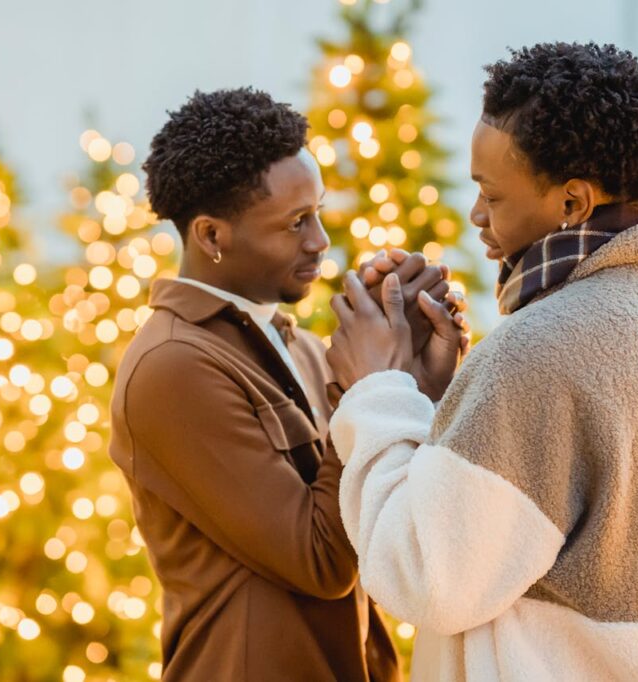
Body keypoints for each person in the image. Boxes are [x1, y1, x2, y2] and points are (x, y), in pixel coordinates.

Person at [326, 42, 638, 681]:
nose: (476, 215)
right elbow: (589, 532)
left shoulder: (540, 348)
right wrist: (440, 400)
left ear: (571, 203)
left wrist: (378, 390)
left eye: (491, 195)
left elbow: (429, 575)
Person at [108, 87, 454, 681]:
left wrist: (417, 380)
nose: (320, 240)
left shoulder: (293, 341)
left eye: (317, 210)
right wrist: (367, 388)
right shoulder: (173, 368)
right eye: (296, 222)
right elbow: (321, 562)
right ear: (212, 237)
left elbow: (385, 518)